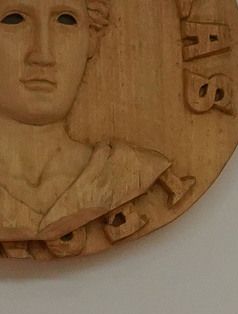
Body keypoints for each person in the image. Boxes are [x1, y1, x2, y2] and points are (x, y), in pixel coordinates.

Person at [0, 0, 171, 246]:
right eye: (15, 19)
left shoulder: (132, 172)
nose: (42, 55)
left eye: (65, 20)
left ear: (91, 39)